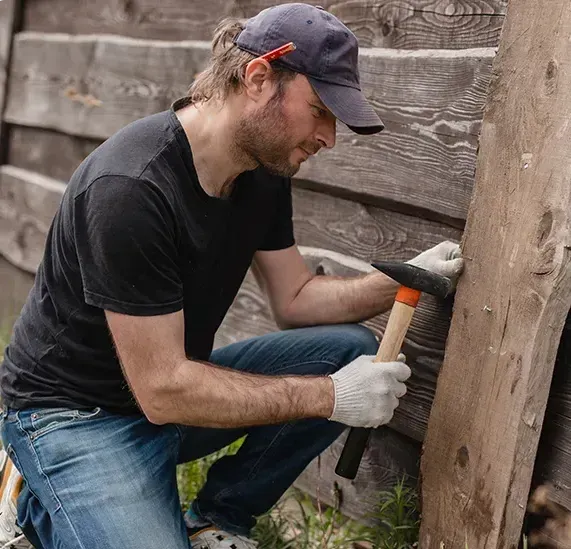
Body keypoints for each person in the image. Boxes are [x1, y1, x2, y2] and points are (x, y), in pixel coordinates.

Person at [0, 4, 464, 549]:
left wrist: (402, 280)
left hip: (166, 396)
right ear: (259, 77)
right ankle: (35, 497)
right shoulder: (131, 189)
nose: (329, 137)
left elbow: (294, 298)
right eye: (319, 110)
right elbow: (164, 391)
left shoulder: (260, 170)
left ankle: (215, 520)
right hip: (75, 417)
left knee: (346, 350)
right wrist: (330, 398)